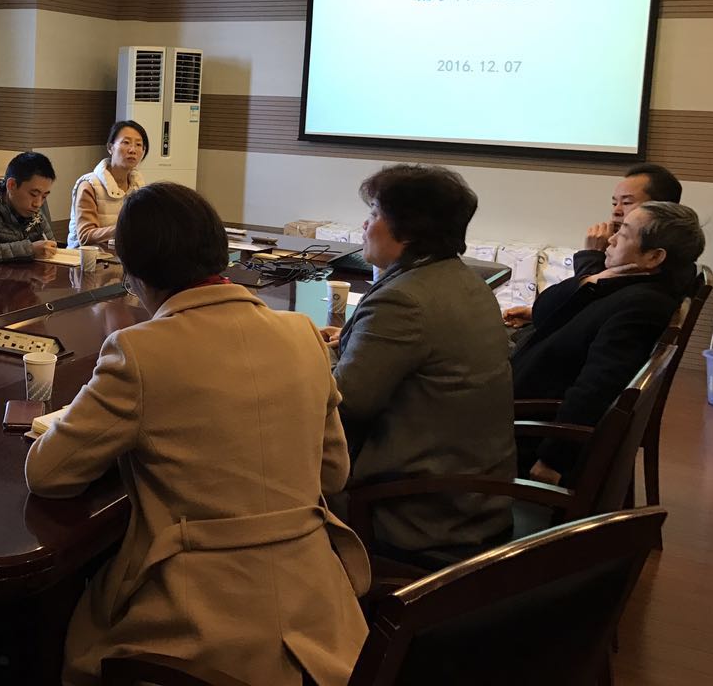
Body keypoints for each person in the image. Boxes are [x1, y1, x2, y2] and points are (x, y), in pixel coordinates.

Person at [26, 183, 369, 686]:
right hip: (321, 611)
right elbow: (333, 474)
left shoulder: (138, 351)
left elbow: (48, 474)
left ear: (133, 273)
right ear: (221, 252)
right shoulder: (302, 335)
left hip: (195, 626)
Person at [323, 164, 515, 555]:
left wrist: (294, 360)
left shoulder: (402, 301)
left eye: (374, 213)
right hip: (473, 493)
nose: (365, 224)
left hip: (416, 511)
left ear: (408, 230)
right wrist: (351, 341)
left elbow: (344, 406)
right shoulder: (463, 280)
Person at [511, 201, 704, 484]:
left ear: (654, 257)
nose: (611, 240)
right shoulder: (629, 284)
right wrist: (594, 278)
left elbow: (598, 385)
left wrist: (553, 459)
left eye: (623, 234)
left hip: (522, 432)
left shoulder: (641, 306)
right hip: (520, 412)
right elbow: (543, 312)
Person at [503, 162, 684, 326]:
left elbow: (589, 308)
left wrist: (592, 255)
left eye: (627, 202)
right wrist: (535, 314)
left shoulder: (652, 276)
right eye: (614, 203)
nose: (616, 212)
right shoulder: (641, 260)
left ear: (660, 208)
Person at [66, 120, 148, 249]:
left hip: (122, 256)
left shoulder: (139, 186)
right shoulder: (89, 185)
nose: (133, 150)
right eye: (126, 142)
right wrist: (125, 228)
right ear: (110, 147)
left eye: (138, 144)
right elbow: (85, 236)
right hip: (86, 258)